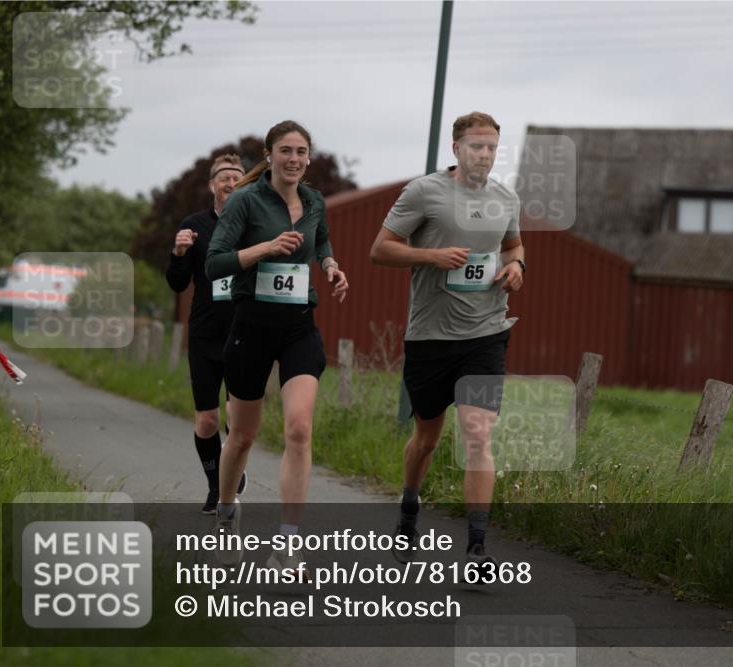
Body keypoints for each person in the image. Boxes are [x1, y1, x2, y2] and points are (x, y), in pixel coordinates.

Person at [370, 111, 525, 567]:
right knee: (427, 438)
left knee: (478, 434)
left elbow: (513, 246)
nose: (485, 155)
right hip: (430, 336)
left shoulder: (505, 198)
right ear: (456, 148)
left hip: (486, 334)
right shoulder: (424, 192)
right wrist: (430, 255)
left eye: (492, 147)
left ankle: (477, 547)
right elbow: (380, 249)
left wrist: (517, 266)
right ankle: (409, 505)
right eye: (476, 146)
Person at [206, 120, 348, 572]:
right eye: (285, 150)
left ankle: (288, 546)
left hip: (298, 326)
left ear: (308, 158)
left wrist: (328, 263)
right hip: (251, 325)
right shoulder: (245, 201)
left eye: (301, 151)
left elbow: (320, 236)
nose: (294, 158)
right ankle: (227, 514)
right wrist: (264, 249)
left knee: (300, 429)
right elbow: (215, 264)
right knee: (243, 435)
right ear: (269, 156)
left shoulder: (312, 200)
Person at [166, 154, 248, 514]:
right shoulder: (195, 225)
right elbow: (177, 282)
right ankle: (216, 483)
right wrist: (179, 252)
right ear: (211, 185)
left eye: (237, 177)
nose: (231, 183)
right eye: (224, 178)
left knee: (237, 416)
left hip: (245, 333)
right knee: (207, 419)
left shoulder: (255, 224)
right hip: (204, 334)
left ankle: (230, 474)